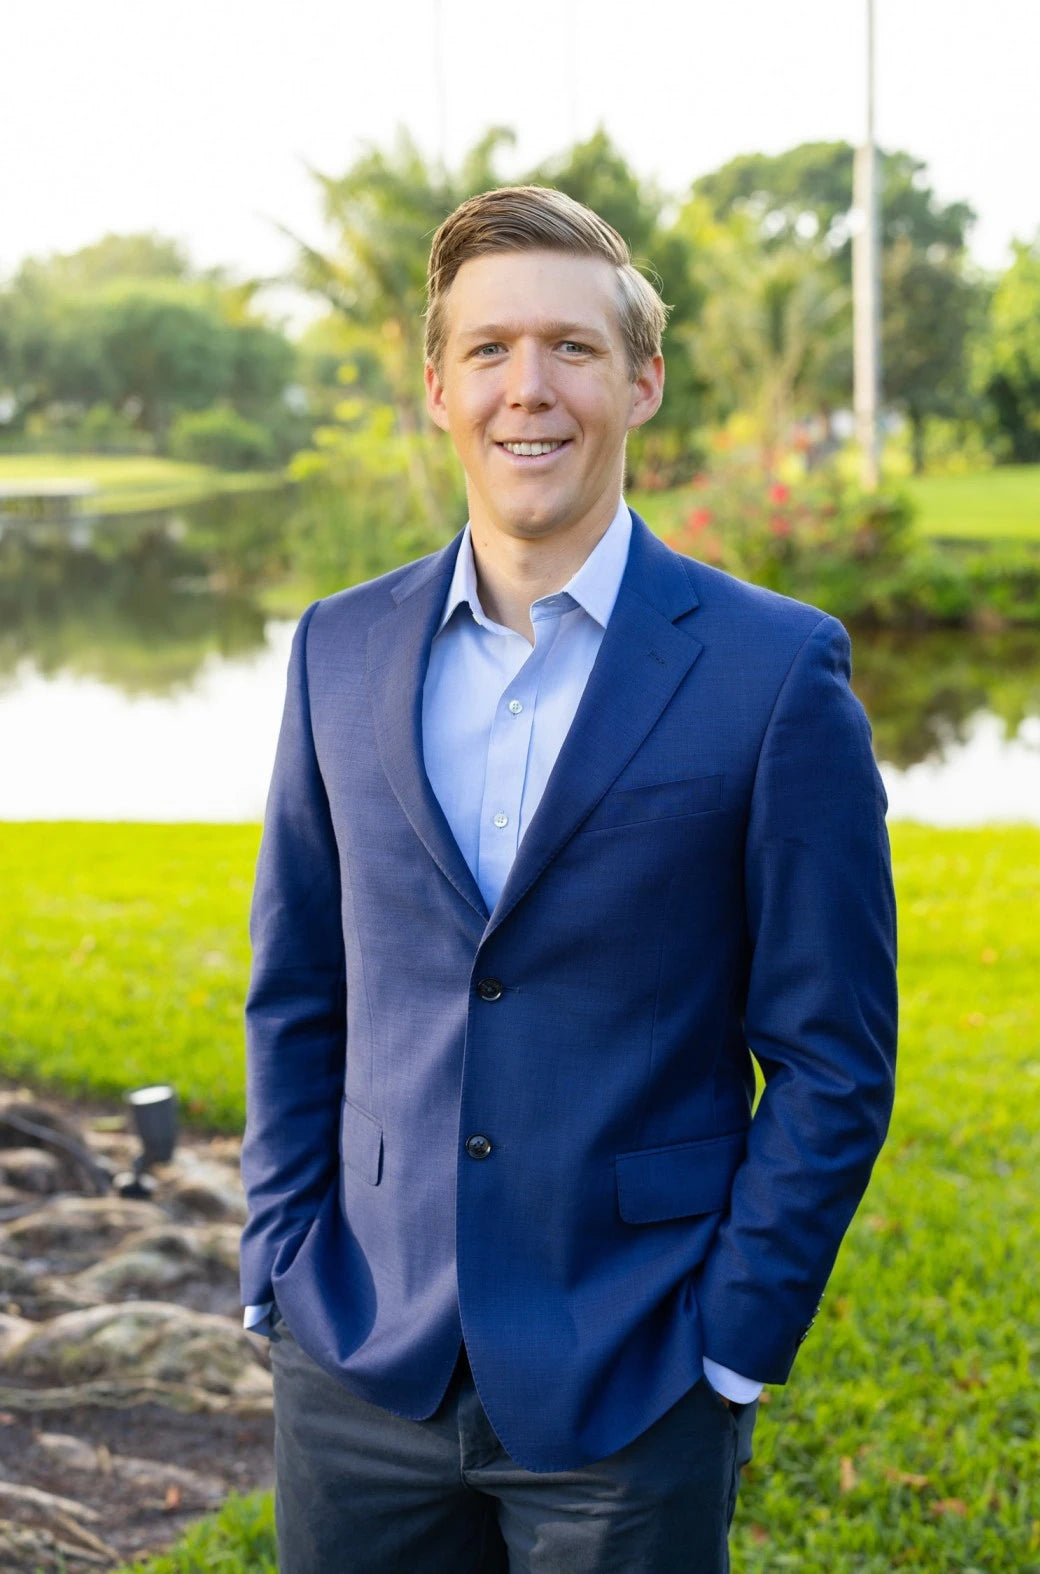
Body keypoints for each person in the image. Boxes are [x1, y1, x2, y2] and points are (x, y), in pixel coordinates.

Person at [239, 185, 897, 1573]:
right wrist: (278, 1264)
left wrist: (731, 1339)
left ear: (640, 378)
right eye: (486, 349)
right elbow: (299, 990)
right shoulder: (335, 651)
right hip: (360, 1359)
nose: (525, 389)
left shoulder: (774, 672)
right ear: (436, 385)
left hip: (634, 1370)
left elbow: (831, 1054)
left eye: (571, 348)